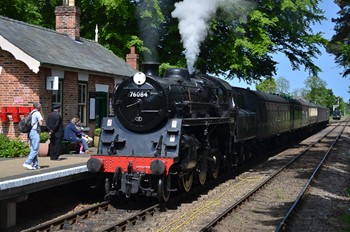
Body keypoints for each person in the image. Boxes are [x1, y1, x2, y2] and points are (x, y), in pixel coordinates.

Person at [23, 102, 43, 170]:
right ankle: (27, 163)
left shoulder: (32, 112)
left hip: (30, 132)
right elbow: (40, 123)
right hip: (34, 132)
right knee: (35, 149)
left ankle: (35, 165)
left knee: (33, 148)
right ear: (39, 107)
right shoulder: (37, 113)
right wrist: (41, 121)